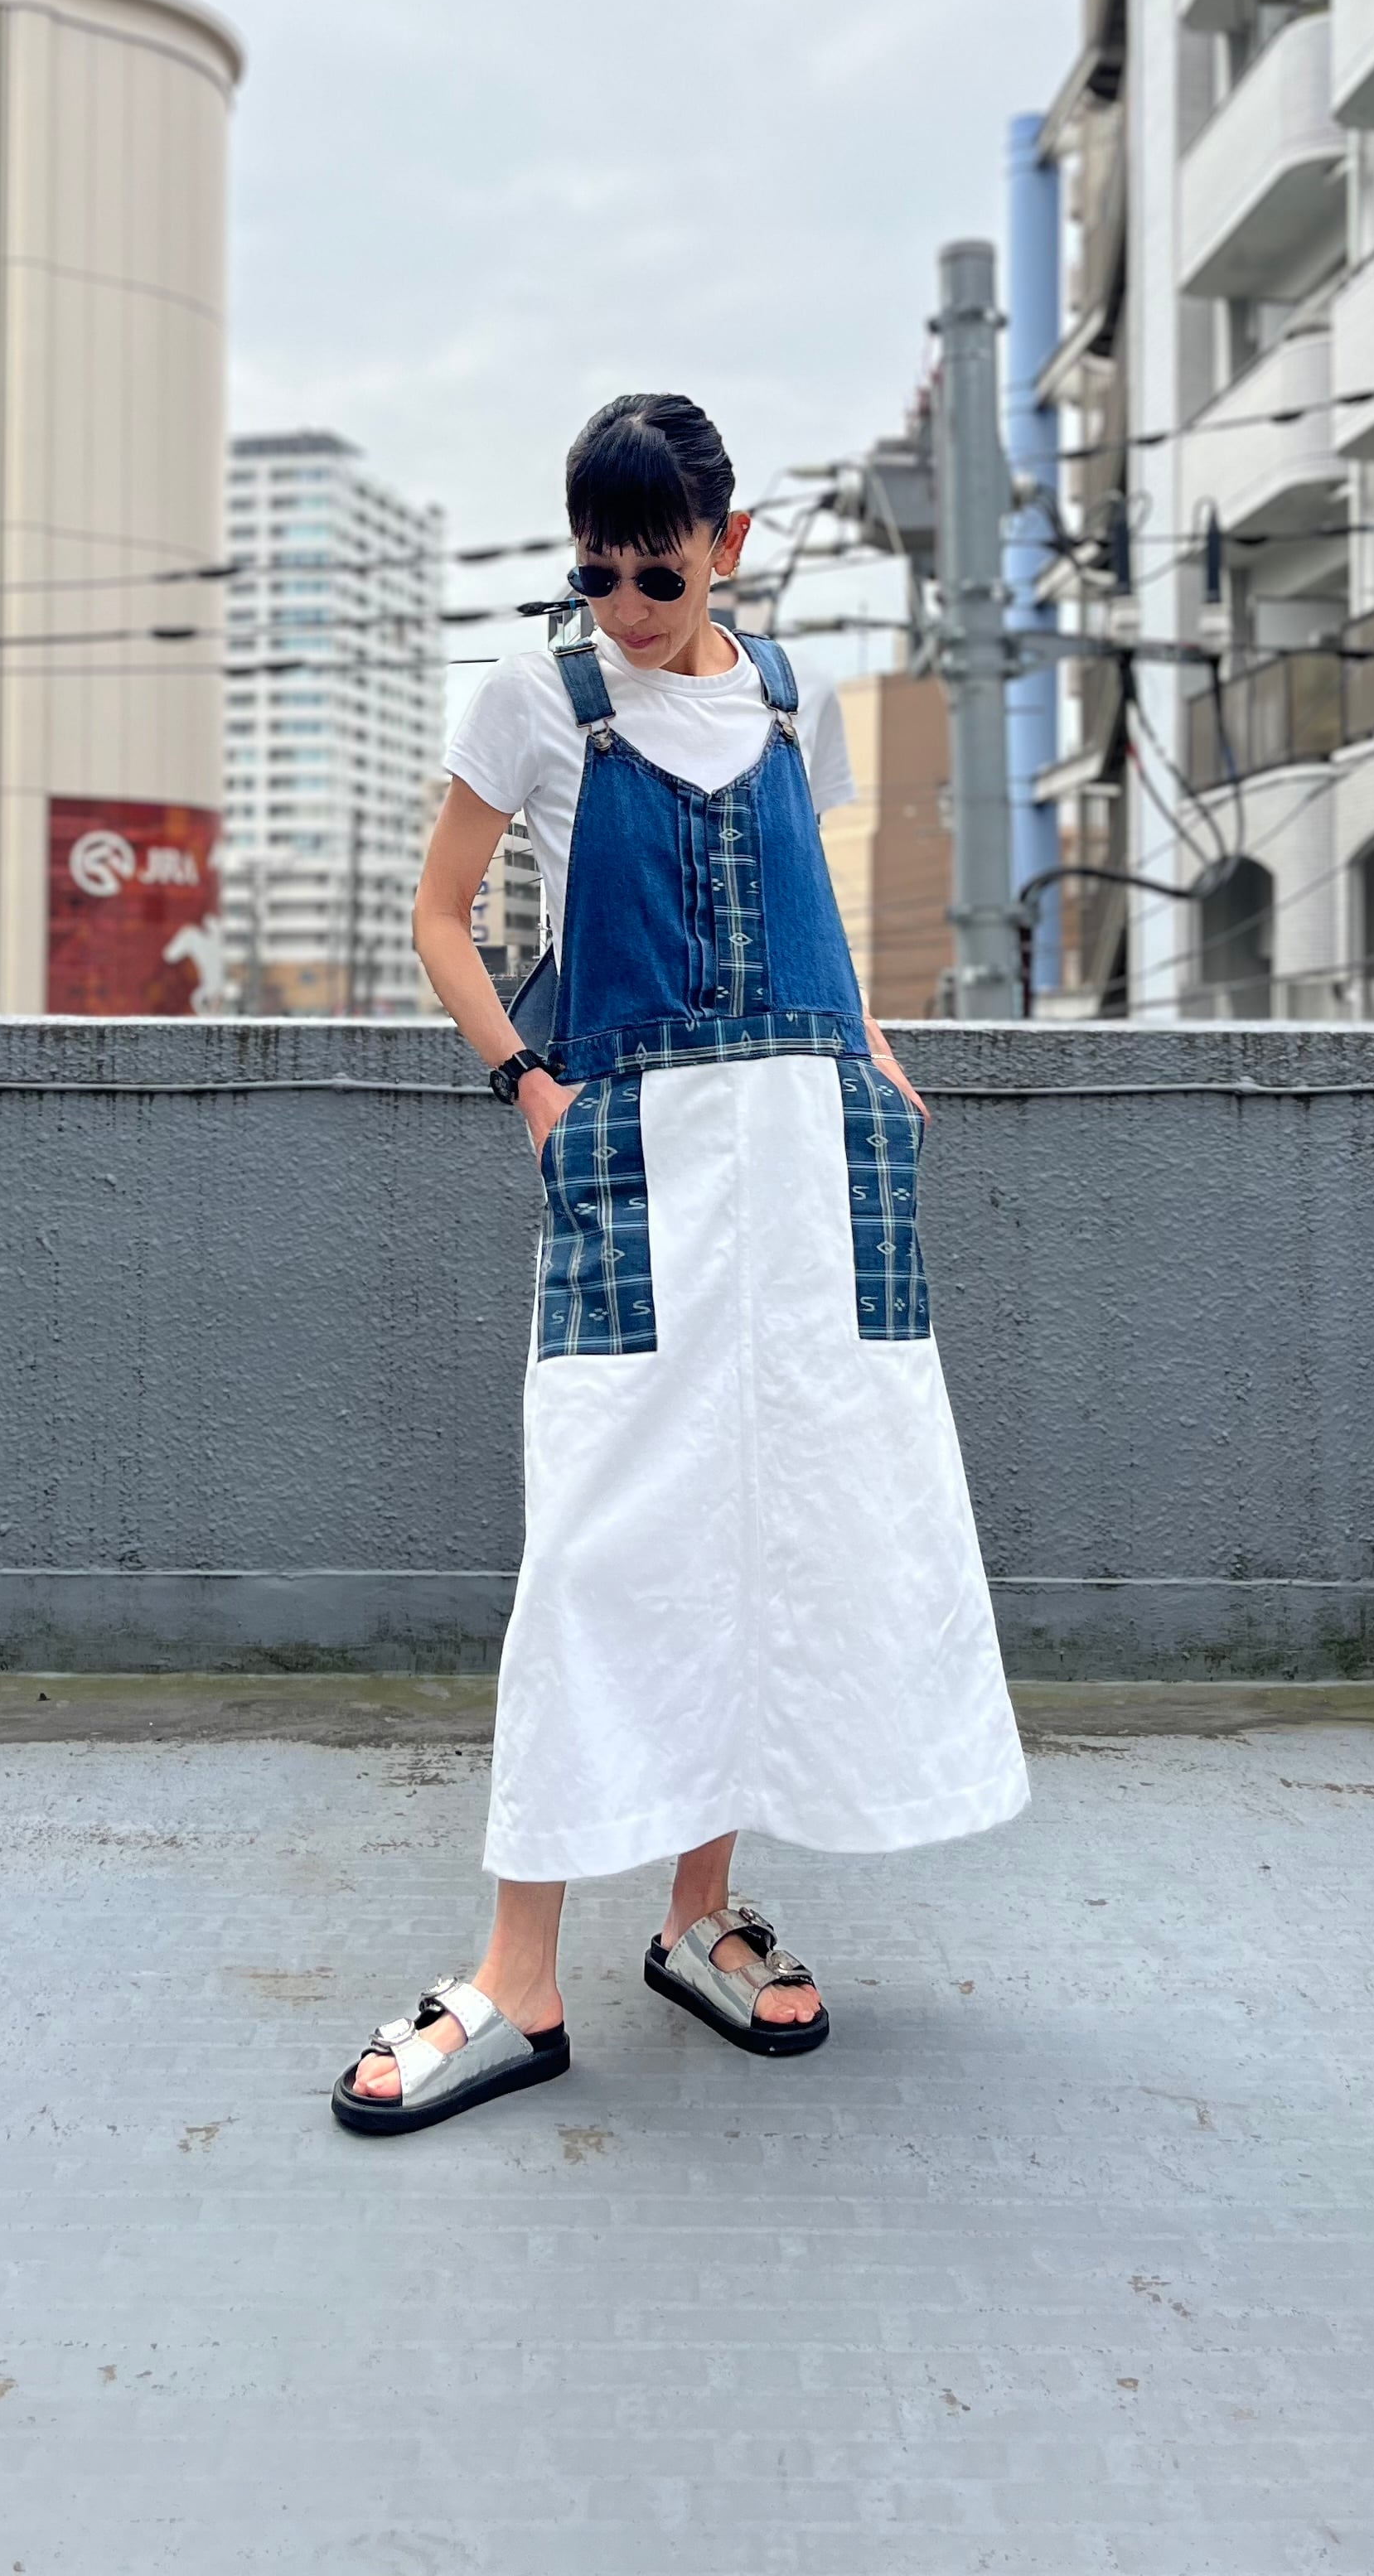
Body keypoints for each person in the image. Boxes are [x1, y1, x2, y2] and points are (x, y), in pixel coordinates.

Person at [332, 393, 1028, 2135]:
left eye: (659, 573)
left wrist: (872, 1052)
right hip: (638, 1161)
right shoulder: (538, 703)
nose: (627, 609)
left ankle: (697, 1915)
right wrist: (529, 1085)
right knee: (597, 1546)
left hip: (811, 1169)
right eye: (597, 575)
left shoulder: (790, 697)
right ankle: (517, 1976)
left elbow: (816, 908)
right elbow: (438, 915)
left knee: (776, 1526)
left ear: (727, 545)